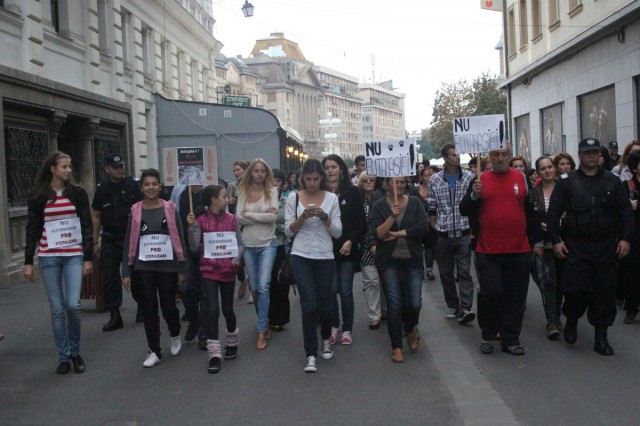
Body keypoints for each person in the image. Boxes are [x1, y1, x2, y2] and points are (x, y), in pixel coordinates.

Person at [547, 138, 633, 356]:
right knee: (575, 291)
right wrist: (556, 240)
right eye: (587, 153)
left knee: (605, 293)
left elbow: (625, 212)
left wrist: (625, 239)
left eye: (595, 152)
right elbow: (554, 213)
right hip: (577, 246)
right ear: (580, 155)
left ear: (600, 155)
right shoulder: (568, 182)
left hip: (605, 246)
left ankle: (601, 337)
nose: (592, 156)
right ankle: (572, 320)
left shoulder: (612, 181)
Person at [460, 143, 540, 356]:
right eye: (496, 154)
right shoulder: (480, 180)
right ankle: (488, 335)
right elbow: (464, 209)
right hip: (488, 250)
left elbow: (532, 210)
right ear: (490, 157)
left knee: (515, 296)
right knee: (490, 292)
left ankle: (511, 338)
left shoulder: (521, 179)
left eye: (505, 154)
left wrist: (535, 241)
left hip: (519, 248)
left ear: (510, 156)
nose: (501, 158)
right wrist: (474, 196)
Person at [24, 151, 93, 374]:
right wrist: (28, 261)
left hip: (73, 254)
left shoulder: (77, 193)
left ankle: (75, 352)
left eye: (70, 166)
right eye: (64, 166)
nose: (69, 170)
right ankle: (63, 357)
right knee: (56, 309)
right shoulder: (38, 196)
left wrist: (88, 257)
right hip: (49, 256)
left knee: (73, 305)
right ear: (52, 169)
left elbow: (86, 223)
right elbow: (33, 228)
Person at [121, 168, 187, 367]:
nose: (151, 188)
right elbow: (128, 241)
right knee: (149, 308)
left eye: (154, 184)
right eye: (147, 184)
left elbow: (180, 238)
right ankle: (154, 350)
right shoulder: (135, 210)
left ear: (160, 186)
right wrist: (126, 270)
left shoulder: (169, 208)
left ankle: (175, 334)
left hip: (167, 268)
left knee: (168, 307)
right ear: (141, 187)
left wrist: (182, 268)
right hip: (143, 268)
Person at [285, 159, 342, 372]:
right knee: (308, 304)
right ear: (302, 179)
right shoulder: (293, 197)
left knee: (325, 303)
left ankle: (326, 338)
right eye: (308, 179)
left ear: (322, 179)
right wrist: (302, 217)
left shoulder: (331, 198)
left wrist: (324, 216)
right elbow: (288, 231)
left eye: (316, 179)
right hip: (300, 254)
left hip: (325, 255)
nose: (311, 183)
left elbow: (337, 232)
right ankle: (310, 353)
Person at [370, 177, 428, 363]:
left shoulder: (415, 203)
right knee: (394, 304)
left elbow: (423, 227)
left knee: (414, 303)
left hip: (412, 260)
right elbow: (378, 233)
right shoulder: (379, 205)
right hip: (389, 262)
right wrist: (392, 217)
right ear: (387, 184)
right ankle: (396, 347)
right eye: (395, 182)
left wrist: (400, 233)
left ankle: (410, 327)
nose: (400, 186)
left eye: (402, 182)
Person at [187, 185, 243, 374]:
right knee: (212, 309)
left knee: (227, 309)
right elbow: (194, 248)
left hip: (228, 270)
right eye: (224, 196)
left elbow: (240, 244)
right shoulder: (201, 221)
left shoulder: (232, 219)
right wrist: (191, 228)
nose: (227, 200)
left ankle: (232, 343)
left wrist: (236, 259)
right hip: (209, 270)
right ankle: (214, 353)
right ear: (213, 200)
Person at [92, 153, 143, 331]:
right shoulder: (102, 189)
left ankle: (142, 307)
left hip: (131, 237)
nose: (120, 169)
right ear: (107, 169)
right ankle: (115, 314)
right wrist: (94, 242)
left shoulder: (132, 186)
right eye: (115, 167)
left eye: (121, 166)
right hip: (110, 238)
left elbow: (141, 211)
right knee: (109, 278)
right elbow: (96, 216)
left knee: (136, 274)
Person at [427, 144, 476, 324]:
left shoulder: (470, 177)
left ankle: (465, 308)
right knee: (446, 273)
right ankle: (453, 306)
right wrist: (433, 226)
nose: (457, 158)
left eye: (458, 154)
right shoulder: (435, 180)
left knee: (464, 271)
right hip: (443, 232)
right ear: (445, 158)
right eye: (454, 155)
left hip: (464, 231)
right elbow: (432, 205)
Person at [323, 154, 366, 346]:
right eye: (327, 167)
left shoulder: (353, 191)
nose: (330, 170)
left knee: (346, 290)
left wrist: (350, 241)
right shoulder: (321, 193)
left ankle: (347, 328)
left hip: (347, 248)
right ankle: (335, 325)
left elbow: (360, 222)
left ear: (341, 169)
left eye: (333, 166)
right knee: (330, 290)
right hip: (325, 249)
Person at [236, 158, 279, 350]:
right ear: (251, 172)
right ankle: (265, 320)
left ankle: (261, 330)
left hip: (267, 243)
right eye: (256, 171)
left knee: (263, 286)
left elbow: (273, 217)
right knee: (254, 287)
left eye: (263, 171)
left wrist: (250, 215)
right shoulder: (243, 192)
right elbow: (237, 219)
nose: (259, 174)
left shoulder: (272, 191)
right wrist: (260, 217)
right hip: (248, 244)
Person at [531, 156, 562, 339]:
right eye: (543, 168)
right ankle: (552, 320)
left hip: (565, 243)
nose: (547, 171)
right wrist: (538, 242)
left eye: (550, 167)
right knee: (549, 283)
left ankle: (558, 313)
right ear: (538, 172)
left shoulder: (565, 189)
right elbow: (531, 219)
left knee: (563, 284)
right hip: (545, 244)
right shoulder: (534, 193)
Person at [177, 183, 208, 346]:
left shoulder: (210, 193)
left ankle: (203, 333)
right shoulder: (183, 195)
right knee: (186, 288)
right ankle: (193, 320)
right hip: (188, 249)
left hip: (207, 250)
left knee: (204, 292)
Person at [357, 172, 386, 329]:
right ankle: (374, 315)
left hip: (384, 242)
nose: (368, 182)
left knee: (385, 278)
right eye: (365, 180)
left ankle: (385, 308)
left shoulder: (383, 198)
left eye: (372, 180)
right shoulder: (358, 200)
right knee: (371, 280)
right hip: (365, 245)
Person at [268, 169, 291, 332]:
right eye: (272, 180)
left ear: (283, 184)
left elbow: (290, 225)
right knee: (264, 284)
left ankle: (280, 318)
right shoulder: (261, 201)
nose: (274, 184)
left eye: (277, 181)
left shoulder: (288, 202)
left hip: (281, 244)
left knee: (280, 282)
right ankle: (267, 316)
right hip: (262, 244)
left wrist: (274, 224)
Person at [620, 152, 640, 324]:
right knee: (633, 272)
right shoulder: (627, 185)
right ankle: (632, 308)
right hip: (634, 235)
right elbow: (619, 210)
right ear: (635, 167)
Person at [228, 161, 251, 302]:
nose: (236, 173)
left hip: (248, 223)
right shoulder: (232, 186)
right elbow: (224, 202)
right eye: (234, 170)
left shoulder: (252, 185)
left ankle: (252, 289)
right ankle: (242, 280)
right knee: (237, 256)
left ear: (246, 170)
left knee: (249, 255)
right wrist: (229, 201)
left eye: (238, 170)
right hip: (234, 223)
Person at [418, 166, 436, 280]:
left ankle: (429, 269)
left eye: (430, 175)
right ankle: (420, 269)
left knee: (429, 246)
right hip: (421, 221)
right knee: (420, 247)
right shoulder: (417, 189)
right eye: (426, 176)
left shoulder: (436, 188)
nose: (428, 178)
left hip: (432, 220)